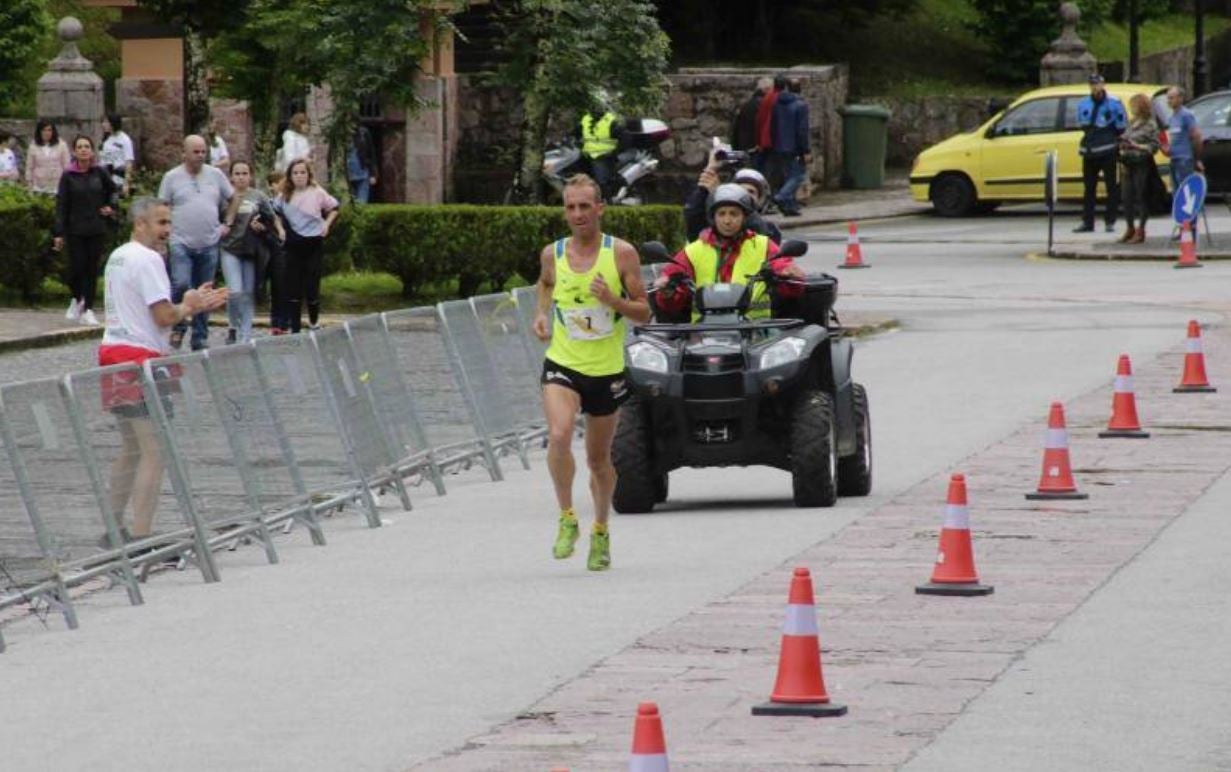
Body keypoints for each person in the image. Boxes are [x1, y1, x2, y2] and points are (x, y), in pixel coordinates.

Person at [532, 174, 650, 572]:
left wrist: (612, 299)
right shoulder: (554, 253)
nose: (578, 214)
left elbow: (644, 310)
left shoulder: (621, 254)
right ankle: (567, 518)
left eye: (585, 206)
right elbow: (546, 283)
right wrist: (541, 315)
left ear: (600, 208)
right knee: (559, 434)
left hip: (606, 371)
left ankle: (600, 529)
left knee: (599, 460)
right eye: (570, 207)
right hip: (564, 362)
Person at [98, 197, 227, 542]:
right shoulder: (149, 259)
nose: (167, 231)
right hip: (140, 360)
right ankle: (142, 537)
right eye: (161, 223)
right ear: (140, 224)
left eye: (169, 224)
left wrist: (188, 303)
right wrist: (189, 305)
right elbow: (164, 316)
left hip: (113, 352)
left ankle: (113, 527)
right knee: (154, 451)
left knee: (132, 447)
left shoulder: (118, 256)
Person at [655, 184, 804, 321]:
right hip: (703, 334)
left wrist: (788, 273)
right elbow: (671, 284)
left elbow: (785, 272)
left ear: (745, 217)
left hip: (756, 332)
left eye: (734, 214)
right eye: (722, 214)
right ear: (713, 217)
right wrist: (667, 289)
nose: (727, 220)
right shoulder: (693, 251)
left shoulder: (763, 245)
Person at [157, 134, 235, 350]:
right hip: (181, 240)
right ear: (185, 153)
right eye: (196, 152)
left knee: (205, 290)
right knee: (181, 283)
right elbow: (162, 207)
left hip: (209, 241)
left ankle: (200, 336)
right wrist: (164, 233)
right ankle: (178, 325)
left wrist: (227, 222)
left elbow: (233, 197)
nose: (200, 156)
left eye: (203, 152)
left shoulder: (216, 174)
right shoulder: (172, 177)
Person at [54, 135, 118, 326]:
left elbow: (113, 191)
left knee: (91, 269)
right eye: (80, 147)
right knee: (76, 269)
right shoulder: (68, 175)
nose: (83, 150)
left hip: (96, 227)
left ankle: (88, 308)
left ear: (92, 151)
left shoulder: (99, 172)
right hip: (75, 229)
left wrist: (110, 206)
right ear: (74, 151)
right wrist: (59, 232)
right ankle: (76, 297)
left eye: (87, 146)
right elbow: (62, 205)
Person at [220, 160, 283, 344]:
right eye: (237, 174)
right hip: (229, 249)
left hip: (249, 251)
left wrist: (280, 230)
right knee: (235, 291)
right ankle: (232, 325)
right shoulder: (225, 197)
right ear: (231, 177)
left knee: (248, 292)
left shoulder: (257, 196)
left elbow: (272, 216)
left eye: (245, 173)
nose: (241, 178)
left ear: (251, 176)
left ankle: (245, 335)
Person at [275, 158, 338, 333]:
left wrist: (326, 224)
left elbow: (334, 208)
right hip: (293, 244)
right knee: (293, 286)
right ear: (290, 176)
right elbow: (275, 212)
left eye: (302, 172)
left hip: (313, 243)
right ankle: (295, 326)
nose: (299, 176)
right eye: (295, 173)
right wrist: (280, 229)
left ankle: (313, 320)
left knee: (312, 284)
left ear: (308, 174)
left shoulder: (317, 192)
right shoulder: (284, 195)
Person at [682, 159, 782, 243]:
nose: (727, 221)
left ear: (760, 199)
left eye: (751, 192)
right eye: (739, 190)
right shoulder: (711, 230)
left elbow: (757, 230)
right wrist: (711, 169)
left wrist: (719, 193)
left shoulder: (770, 230)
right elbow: (693, 217)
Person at [1075, 74, 1127, 233]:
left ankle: (1110, 221)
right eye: (1092, 84)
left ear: (1103, 84)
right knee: (1089, 188)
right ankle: (1087, 222)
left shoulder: (1114, 103)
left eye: (1097, 84)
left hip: (1108, 150)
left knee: (1111, 186)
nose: (1095, 87)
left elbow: (1121, 125)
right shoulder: (1083, 103)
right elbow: (1081, 124)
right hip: (1089, 150)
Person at [1118, 93, 1161, 245]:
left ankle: (1140, 230)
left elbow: (1154, 147)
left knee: (1141, 197)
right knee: (1126, 197)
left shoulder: (1150, 124)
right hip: (1127, 162)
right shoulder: (1132, 122)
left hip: (1142, 163)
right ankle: (1129, 228)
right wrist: (1122, 145)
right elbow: (1125, 136)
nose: (1131, 108)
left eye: (1133, 105)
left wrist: (1136, 146)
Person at [1164, 86, 1204, 238]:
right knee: (1177, 195)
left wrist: (1197, 159)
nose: (1169, 101)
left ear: (1180, 98)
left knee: (1188, 195)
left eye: (1172, 97)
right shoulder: (1172, 117)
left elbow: (1196, 136)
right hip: (1174, 158)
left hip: (1185, 159)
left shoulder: (1186, 115)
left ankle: (1191, 227)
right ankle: (1183, 227)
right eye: (1168, 98)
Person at [768, 76, 811, 216]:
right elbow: (802, 130)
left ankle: (789, 206)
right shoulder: (801, 105)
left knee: (787, 175)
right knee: (798, 176)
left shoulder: (777, 103)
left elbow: (773, 125)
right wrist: (806, 150)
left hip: (779, 145)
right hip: (795, 147)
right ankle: (782, 196)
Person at [578, 91, 623, 198]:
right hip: (587, 155)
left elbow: (624, 139)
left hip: (604, 156)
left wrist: (613, 152)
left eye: (598, 104)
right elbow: (576, 132)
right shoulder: (586, 118)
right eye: (593, 104)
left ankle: (608, 203)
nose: (595, 107)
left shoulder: (612, 121)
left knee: (601, 182)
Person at [264, 169, 290, 333]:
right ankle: (276, 321)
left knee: (286, 285)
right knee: (276, 286)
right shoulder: (268, 204)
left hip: (286, 248)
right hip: (273, 248)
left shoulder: (289, 202)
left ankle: (284, 320)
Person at [26, 119, 70, 195]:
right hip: (38, 186)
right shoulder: (33, 146)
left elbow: (67, 166)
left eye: (49, 130)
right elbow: (29, 167)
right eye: (44, 130)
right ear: (39, 131)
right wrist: (29, 185)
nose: (47, 133)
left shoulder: (62, 145)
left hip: (57, 186)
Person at [732, 77, 773, 154]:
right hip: (757, 149)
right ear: (767, 89)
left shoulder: (746, 105)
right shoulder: (764, 106)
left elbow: (736, 128)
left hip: (744, 147)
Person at [99, 114, 135, 197]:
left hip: (118, 179)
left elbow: (129, 162)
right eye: (103, 122)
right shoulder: (106, 139)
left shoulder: (125, 139)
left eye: (106, 122)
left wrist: (126, 183)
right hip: (105, 179)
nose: (103, 125)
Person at [754, 76, 783, 174]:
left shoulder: (766, 99)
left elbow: (760, 120)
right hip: (776, 139)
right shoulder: (776, 98)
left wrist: (759, 140)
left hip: (766, 139)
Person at [347, 124, 379, 204]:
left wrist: (373, 174)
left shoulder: (363, 133)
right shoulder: (339, 134)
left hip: (363, 173)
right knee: (347, 204)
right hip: (346, 175)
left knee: (361, 203)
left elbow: (371, 154)